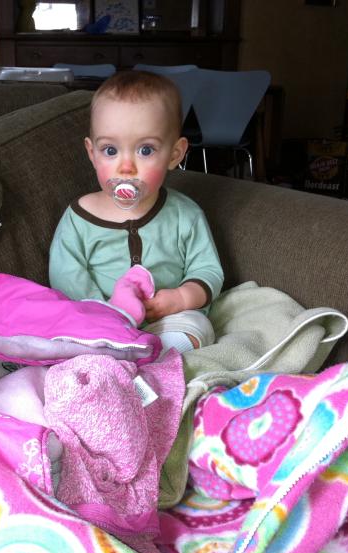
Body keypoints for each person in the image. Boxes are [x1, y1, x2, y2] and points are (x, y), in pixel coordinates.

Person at [49, 70, 223, 354]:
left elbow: (208, 269)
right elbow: (66, 276)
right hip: (99, 322)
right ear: (92, 153)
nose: (126, 167)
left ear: (174, 154)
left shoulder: (185, 214)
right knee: (63, 326)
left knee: (199, 328)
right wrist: (106, 313)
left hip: (165, 322)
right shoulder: (78, 218)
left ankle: (149, 355)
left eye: (145, 150)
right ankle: (118, 353)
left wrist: (181, 298)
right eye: (110, 150)